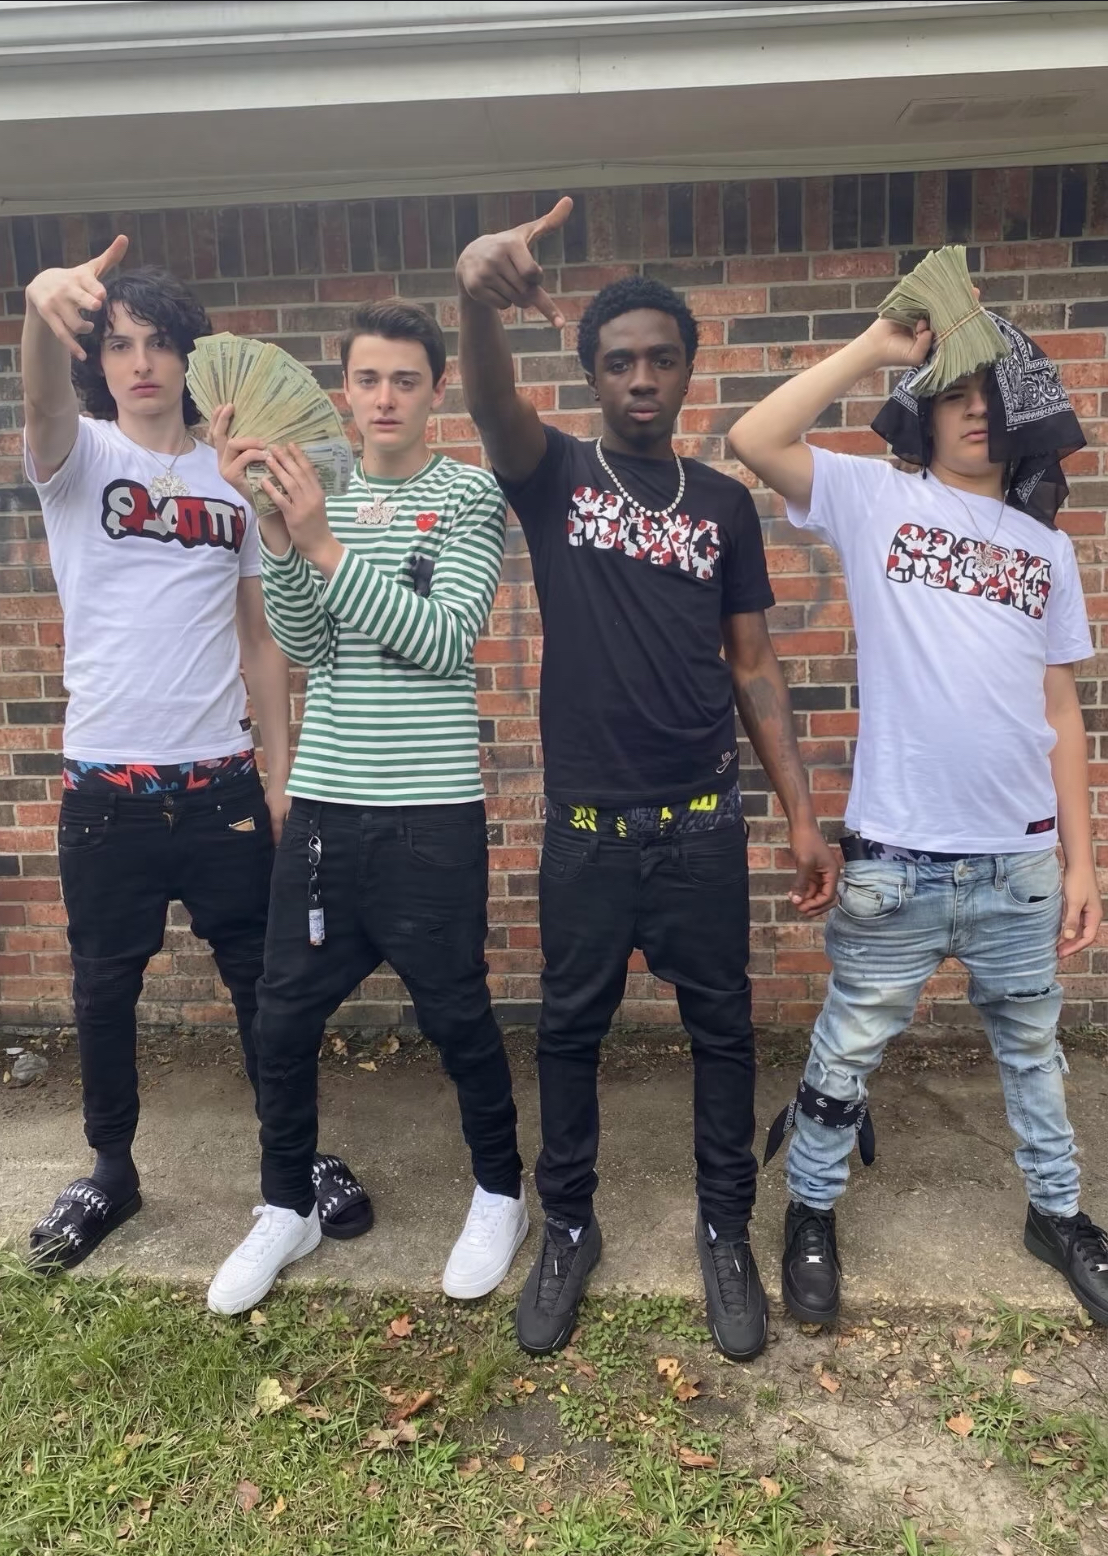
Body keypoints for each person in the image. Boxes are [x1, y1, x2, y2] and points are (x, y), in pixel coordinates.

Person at [455, 199, 838, 1361]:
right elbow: (490, 403)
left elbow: (754, 663)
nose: (640, 378)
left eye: (660, 359)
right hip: (586, 832)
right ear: (591, 375)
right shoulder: (557, 476)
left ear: (685, 371)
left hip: (701, 828)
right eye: (618, 360)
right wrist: (475, 294)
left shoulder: (722, 504)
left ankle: (726, 1227)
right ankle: (568, 1225)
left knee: (723, 1030)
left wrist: (803, 816)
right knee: (569, 1032)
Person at [728, 303, 1108, 1328]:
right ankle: (811, 1208)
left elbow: (1061, 712)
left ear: (1023, 415)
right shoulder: (877, 499)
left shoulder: (1046, 550)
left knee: (1034, 1053)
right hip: (898, 861)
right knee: (847, 1049)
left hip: (1019, 864)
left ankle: (1059, 1214)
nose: (975, 412)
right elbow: (755, 437)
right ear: (924, 413)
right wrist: (875, 348)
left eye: (992, 396)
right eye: (954, 395)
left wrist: (1083, 862)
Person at [206, 299, 527, 1315]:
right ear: (343, 390)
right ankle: (285, 1204)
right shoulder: (319, 490)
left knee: (457, 1013)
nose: (384, 398)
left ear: (436, 391)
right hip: (326, 808)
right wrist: (276, 526)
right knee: (282, 1015)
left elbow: (444, 639)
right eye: (367, 379)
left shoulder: (468, 494)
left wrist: (323, 545)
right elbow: (306, 643)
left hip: (429, 810)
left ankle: (500, 1190)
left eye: (405, 380)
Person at [22, 238, 293, 1270]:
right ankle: (110, 1170)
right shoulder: (79, 456)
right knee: (104, 990)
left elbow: (260, 642)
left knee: (263, 982)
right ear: (97, 360)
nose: (140, 362)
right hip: (108, 792)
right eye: (119, 344)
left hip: (221, 784)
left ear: (187, 354)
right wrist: (39, 308)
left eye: (159, 342)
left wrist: (279, 776)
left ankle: (292, 1155)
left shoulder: (232, 478)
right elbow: (41, 400)